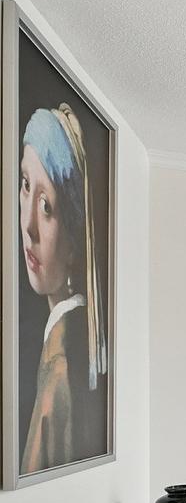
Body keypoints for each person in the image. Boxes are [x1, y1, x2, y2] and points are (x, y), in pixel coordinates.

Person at [19, 103, 106, 474]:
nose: (28, 225)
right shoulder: (73, 340)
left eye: (46, 206)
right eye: (25, 185)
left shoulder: (60, 359)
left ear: (74, 239)